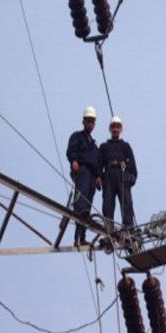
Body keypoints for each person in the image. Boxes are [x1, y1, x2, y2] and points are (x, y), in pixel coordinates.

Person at [66, 106, 101, 247]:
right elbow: (71, 150)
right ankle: (77, 236)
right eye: (88, 121)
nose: (90, 124)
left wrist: (98, 176)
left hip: (92, 175)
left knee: (87, 206)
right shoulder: (77, 136)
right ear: (84, 122)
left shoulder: (94, 145)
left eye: (92, 122)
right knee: (81, 202)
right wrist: (74, 161)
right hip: (83, 170)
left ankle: (82, 237)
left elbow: (97, 163)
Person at [98, 116, 137, 234]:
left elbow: (133, 165)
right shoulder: (104, 147)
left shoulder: (125, 146)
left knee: (127, 203)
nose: (115, 129)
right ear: (110, 129)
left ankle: (128, 229)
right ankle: (108, 230)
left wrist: (131, 178)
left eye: (117, 127)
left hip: (122, 175)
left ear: (121, 129)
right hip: (109, 176)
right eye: (113, 127)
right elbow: (99, 165)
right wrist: (99, 177)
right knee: (108, 204)